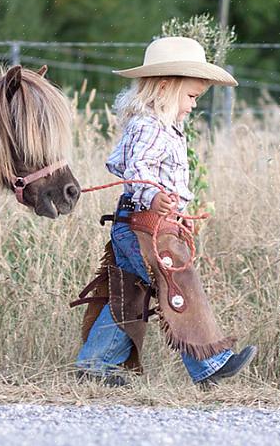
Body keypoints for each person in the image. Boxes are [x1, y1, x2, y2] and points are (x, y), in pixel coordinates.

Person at [74, 37, 256, 387]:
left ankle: (94, 366)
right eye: (190, 97)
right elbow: (137, 169)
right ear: (163, 87)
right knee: (180, 282)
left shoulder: (166, 127)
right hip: (143, 224)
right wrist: (153, 198)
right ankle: (209, 365)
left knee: (131, 294)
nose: (192, 106)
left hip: (146, 225)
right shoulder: (147, 127)